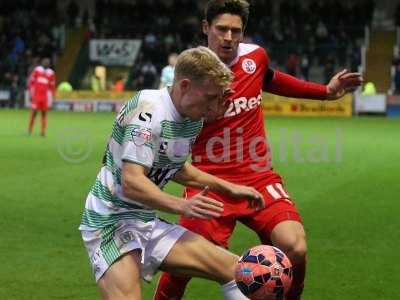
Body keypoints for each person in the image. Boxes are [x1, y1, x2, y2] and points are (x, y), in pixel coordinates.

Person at [154, 1, 363, 300]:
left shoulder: (255, 57)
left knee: (295, 246)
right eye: (221, 29)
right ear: (205, 28)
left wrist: (325, 93)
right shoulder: (191, 74)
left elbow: (274, 80)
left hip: (258, 177)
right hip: (210, 181)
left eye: (235, 31)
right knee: (182, 264)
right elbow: (172, 121)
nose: (228, 37)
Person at [79, 46, 265, 300]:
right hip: (110, 222)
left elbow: (175, 168)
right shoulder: (149, 111)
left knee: (238, 271)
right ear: (185, 85)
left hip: (144, 220)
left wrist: (230, 188)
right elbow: (133, 182)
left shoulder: (192, 118)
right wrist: (182, 206)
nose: (213, 107)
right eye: (210, 97)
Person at [27, 57, 55, 137]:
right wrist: (31, 94)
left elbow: (52, 87)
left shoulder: (51, 73)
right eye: (45, 62)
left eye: (48, 62)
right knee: (34, 112)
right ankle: (30, 129)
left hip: (45, 97)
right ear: (42, 63)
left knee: (44, 114)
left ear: (49, 64)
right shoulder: (37, 70)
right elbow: (31, 82)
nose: (46, 63)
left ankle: (43, 132)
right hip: (36, 96)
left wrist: (52, 98)